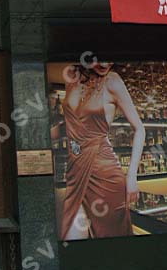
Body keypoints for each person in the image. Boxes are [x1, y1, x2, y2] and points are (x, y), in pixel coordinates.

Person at [53, 61, 145, 240]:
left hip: (105, 175)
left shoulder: (112, 81)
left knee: (112, 243)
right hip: (75, 172)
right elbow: (70, 125)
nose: (104, 63)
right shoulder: (71, 75)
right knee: (70, 241)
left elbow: (140, 129)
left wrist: (132, 176)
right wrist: (35, 136)